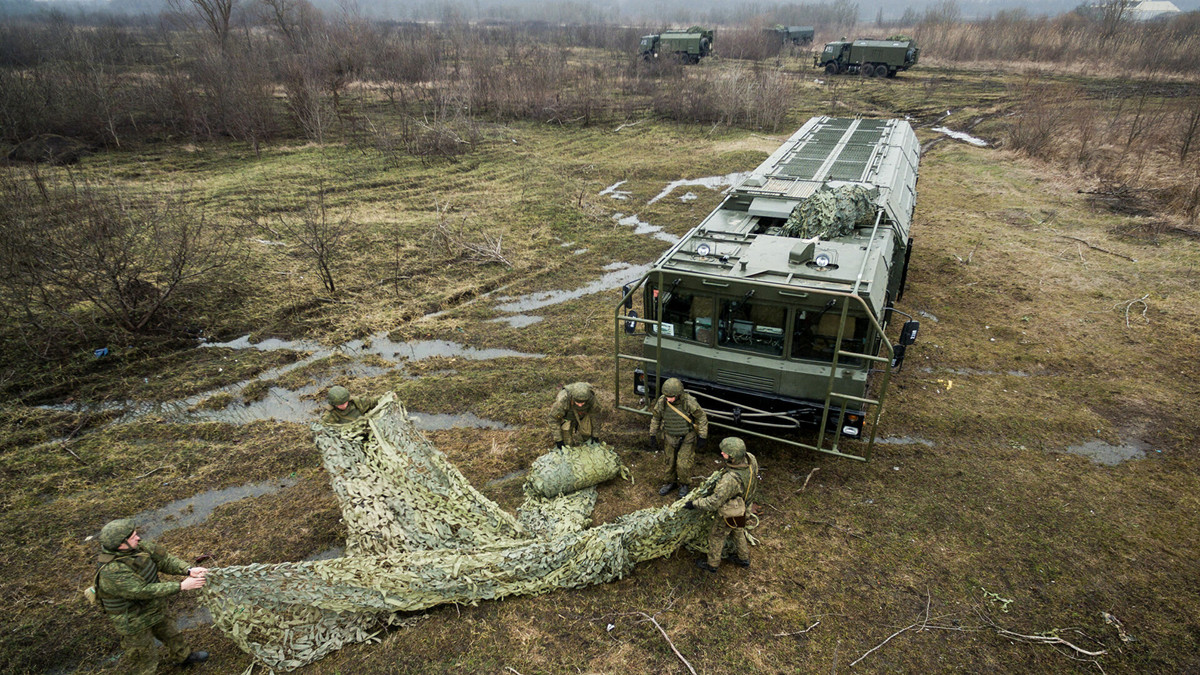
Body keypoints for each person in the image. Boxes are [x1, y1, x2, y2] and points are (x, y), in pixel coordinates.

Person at [92, 519, 210, 673]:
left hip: (154, 606)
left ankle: (184, 656)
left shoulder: (139, 547)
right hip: (132, 618)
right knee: (143, 652)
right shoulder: (111, 570)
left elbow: (165, 560)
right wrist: (180, 586)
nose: (138, 538)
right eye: (133, 537)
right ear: (121, 544)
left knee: (172, 633)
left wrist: (188, 570)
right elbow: (141, 591)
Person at [684, 437, 758, 573]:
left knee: (716, 535)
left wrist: (694, 503)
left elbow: (713, 502)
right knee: (738, 530)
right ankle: (744, 558)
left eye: (725, 453)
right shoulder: (750, 459)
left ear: (734, 457)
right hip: (745, 506)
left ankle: (712, 564)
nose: (722, 454)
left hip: (732, 510)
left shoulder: (729, 480)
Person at [648, 378, 708, 498]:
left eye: (671, 397)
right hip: (669, 437)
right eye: (666, 396)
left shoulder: (688, 402)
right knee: (669, 462)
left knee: (683, 464)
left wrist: (702, 436)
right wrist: (652, 435)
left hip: (687, 438)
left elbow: (701, 418)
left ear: (678, 394)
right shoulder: (662, 402)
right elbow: (656, 418)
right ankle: (670, 482)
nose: (668, 399)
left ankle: (684, 484)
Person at [547, 382, 599, 448]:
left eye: (583, 403)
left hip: (583, 416)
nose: (580, 405)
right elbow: (553, 419)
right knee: (567, 444)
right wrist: (558, 440)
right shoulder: (563, 400)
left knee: (588, 435)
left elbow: (595, 416)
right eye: (578, 402)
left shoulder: (591, 399)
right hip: (567, 417)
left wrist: (595, 434)